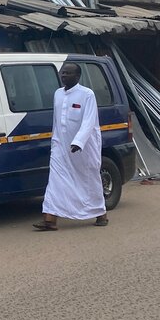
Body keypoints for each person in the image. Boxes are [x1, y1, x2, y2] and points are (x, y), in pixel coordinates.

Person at [34, 61, 108, 230]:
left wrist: (78, 141)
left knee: (88, 179)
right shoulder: (58, 94)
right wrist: (55, 142)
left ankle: (100, 213)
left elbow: (89, 121)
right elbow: (57, 122)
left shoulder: (87, 94)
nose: (63, 76)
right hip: (60, 146)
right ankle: (50, 219)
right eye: (62, 73)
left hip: (84, 148)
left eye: (67, 73)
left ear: (78, 76)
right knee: (55, 180)